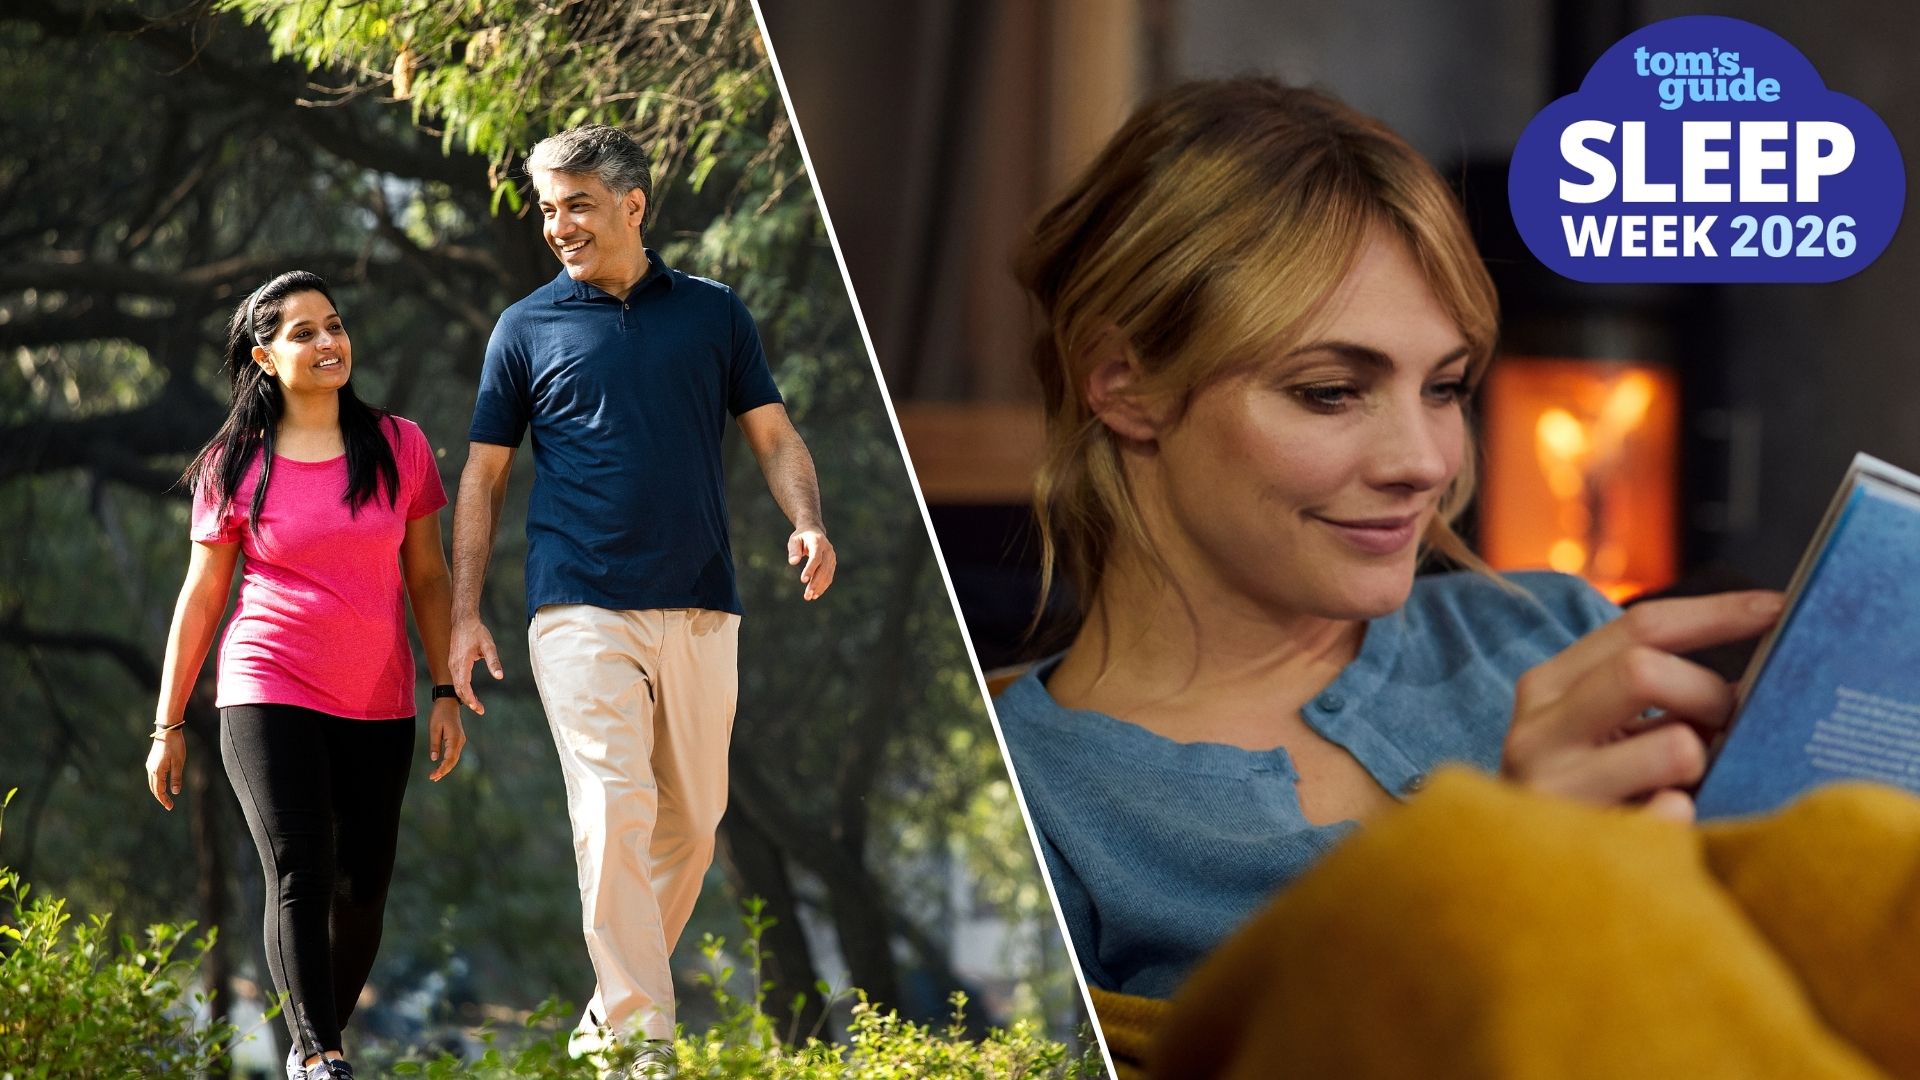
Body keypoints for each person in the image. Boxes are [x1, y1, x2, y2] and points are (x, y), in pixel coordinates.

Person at [993, 78, 1783, 1001]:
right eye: (1330, 391)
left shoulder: (1558, 630)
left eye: (1444, 388)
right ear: (1125, 383)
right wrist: (1492, 892)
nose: (1425, 461)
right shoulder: (1025, 806)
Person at [447, 124, 836, 1077]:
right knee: (613, 808)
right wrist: (465, 611)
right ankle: (637, 1048)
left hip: (703, 603)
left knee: (692, 825)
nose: (558, 225)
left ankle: (601, 1028)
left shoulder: (713, 314)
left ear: (633, 205)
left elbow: (776, 437)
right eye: (547, 208)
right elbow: (482, 478)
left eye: (575, 203)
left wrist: (809, 520)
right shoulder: (525, 328)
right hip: (576, 604)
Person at [145, 271, 465, 1080]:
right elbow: (201, 598)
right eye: (303, 333)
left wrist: (446, 689)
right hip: (267, 683)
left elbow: (428, 578)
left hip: (378, 696)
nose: (329, 343)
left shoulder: (400, 445)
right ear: (262, 356)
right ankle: (321, 1058)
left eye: (335, 326)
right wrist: (168, 722)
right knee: (300, 866)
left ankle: (311, 1046)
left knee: (362, 892)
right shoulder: (232, 465)